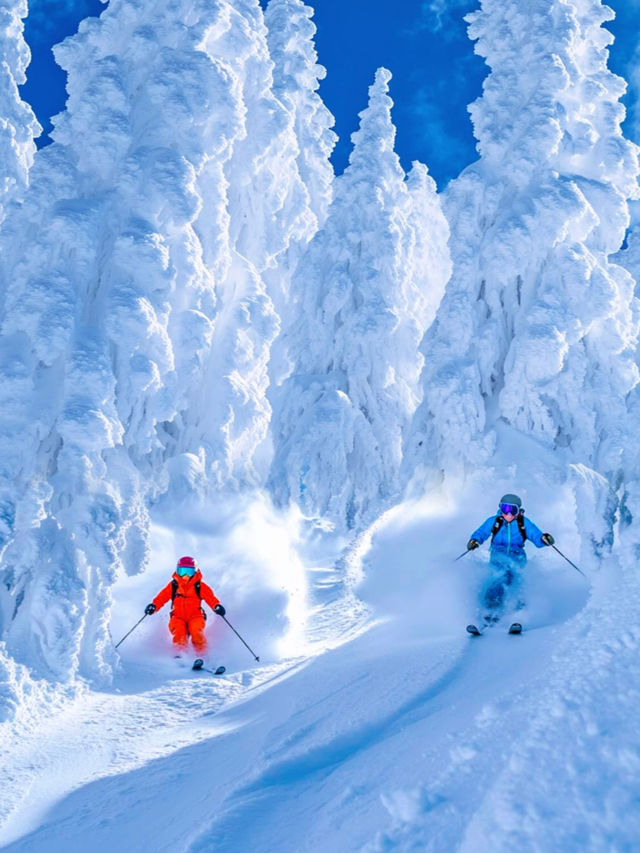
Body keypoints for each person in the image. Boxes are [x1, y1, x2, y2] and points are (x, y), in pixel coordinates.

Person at [466, 494, 554, 624]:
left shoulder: (523, 523)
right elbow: (481, 532)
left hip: (517, 555)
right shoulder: (494, 521)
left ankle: (518, 611)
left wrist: (544, 539)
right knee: (498, 577)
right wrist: (475, 540)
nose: (508, 513)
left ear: (518, 511)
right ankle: (490, 609)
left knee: (517, 578)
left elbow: (536, 536)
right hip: (497, 555)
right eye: (504, 509)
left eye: (512, 510)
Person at [144, 556, 225, 655]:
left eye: (189, 572)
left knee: (196, 632)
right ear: (177, 571)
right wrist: (154, 606)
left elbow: (210, 598)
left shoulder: (199, 586)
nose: (185, 575)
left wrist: (216, 606)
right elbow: (162, 597)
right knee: (179, 633)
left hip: (196, 616)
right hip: (178, 616)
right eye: (182, 571)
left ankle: (202, 654)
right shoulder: (174, 586)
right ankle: (181, 655)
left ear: (195, 572)